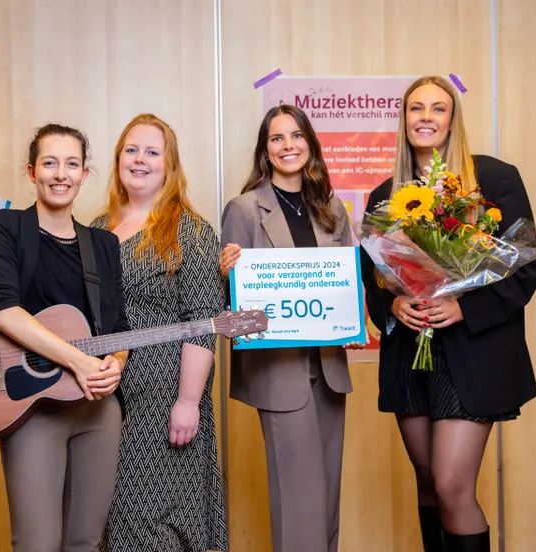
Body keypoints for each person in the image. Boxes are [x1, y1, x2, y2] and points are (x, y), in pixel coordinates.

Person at [360, 76, 536, 552]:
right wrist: (394, 305)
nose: (425, 117)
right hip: (411, 355)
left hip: (472, 353)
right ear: (403, 119)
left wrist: (463, 308)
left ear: (452, 119)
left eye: (437, 109)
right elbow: (373, 282)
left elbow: (525, 268)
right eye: (415, 108)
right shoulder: (383, 197)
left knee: (450, 485)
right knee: (426, 482)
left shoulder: (495, 179)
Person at [219, 104, 364, 552]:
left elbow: (347, 278)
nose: (288, 146)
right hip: (278, 372)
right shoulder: (244, 208)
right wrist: (229, 277)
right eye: (277, 138)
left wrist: (352, 319)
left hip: (329, 370)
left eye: (296, 136)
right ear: (266, 150)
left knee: (326, 497)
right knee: (297, 500)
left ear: (310, 144)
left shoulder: (331, 207)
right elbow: (231, 304)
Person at [0, 123, 129, 552]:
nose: (60, 174)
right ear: (32, 171)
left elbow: (116, 329)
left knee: (85, 541)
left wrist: (114, 366)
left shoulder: (102, 244)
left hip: (97, 411)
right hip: (32, 408)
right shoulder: (8, 228)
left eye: (71, 164)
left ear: (84, 174)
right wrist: (78, 361)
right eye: (49, 163)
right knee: (37, 544)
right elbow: (2, 309)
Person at [91, 113, 227, 552]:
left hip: (164, 394)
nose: (140, 160)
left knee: (156, 520)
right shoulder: (94, 230)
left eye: (152, 152)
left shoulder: (191, 230)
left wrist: (188, 402)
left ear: (169, 165)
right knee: (105, 513)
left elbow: (203, 322)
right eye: (131, 150)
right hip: (100, 394)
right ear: (117, 160)